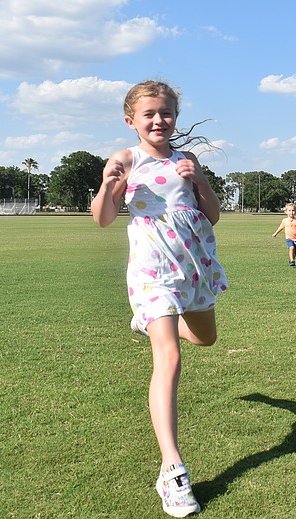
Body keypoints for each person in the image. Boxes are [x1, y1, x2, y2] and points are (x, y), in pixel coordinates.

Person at [92, 80, 227, 517]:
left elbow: (212, 215)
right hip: (152, 270)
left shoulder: (186, 159)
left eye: (166, 113)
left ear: (175, 117)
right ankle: (172, 471)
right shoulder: (125, 160)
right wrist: (108, 183)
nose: (158, 120)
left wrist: (201, 180)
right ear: (130, 120)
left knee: (205, 338)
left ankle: (153, 321)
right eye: (149, 114)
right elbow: (104, 219)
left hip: (192, 266)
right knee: (168, 358)